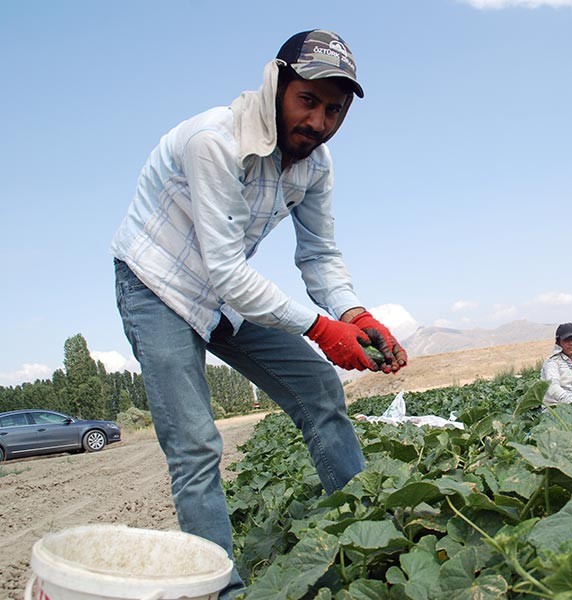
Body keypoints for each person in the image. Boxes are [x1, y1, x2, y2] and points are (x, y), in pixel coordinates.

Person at [110, 30, 407, 598]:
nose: (319, 122)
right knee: (195, 443)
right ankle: (219, 588)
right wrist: (321, 326)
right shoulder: (214, 141)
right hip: (156, 283)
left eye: (334, 110)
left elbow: (319, 254)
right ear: (277, 85)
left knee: (318, 386)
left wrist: (355, 312)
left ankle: (370, 531)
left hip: (223, 294)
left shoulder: (315, 166)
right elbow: (225, 269)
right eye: (308, 101)